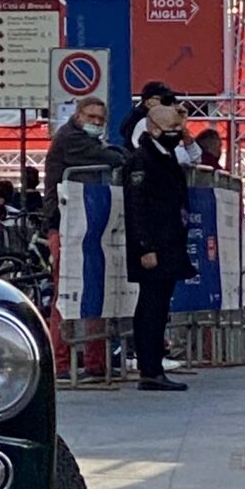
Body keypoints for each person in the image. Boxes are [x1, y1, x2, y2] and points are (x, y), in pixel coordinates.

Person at [124, 93, 195, 391]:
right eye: (170, 129)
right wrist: (145, 247)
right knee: (151, 307)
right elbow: (137, 206)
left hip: (169, 241)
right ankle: (150, 369)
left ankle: (153, 366)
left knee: (159, 306)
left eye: (178, 129)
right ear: (153, 129)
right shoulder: (143, 160)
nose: (176, 134)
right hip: (154, 244)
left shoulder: (165, 155)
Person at [44, 97, 110, 225]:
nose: (96, 122)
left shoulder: (84, 136)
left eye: (101, 119)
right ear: (78, 116)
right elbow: (104, 156)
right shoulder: (71, 137)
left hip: (77, 204)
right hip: (64, 209)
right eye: (91, 116)